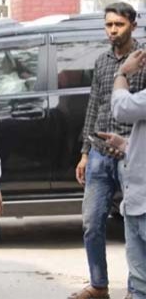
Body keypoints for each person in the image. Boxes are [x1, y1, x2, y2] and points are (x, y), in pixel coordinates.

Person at [71, 2, 146, 299]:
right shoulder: (102, 62)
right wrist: (85, 151)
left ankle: (135, 288)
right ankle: (99, 285)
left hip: (132, 152)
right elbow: (95, 104)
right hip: (100, 151)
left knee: (133, 224)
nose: (113, 30)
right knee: (91, 222)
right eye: (108, 25)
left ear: (133, 25)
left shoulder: (142, 58)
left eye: (119, 24)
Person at [97, 48, 146, 299]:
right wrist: (125, 144)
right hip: (136, 203)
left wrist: (122, 72)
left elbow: (121, 108)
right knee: (139, 285)